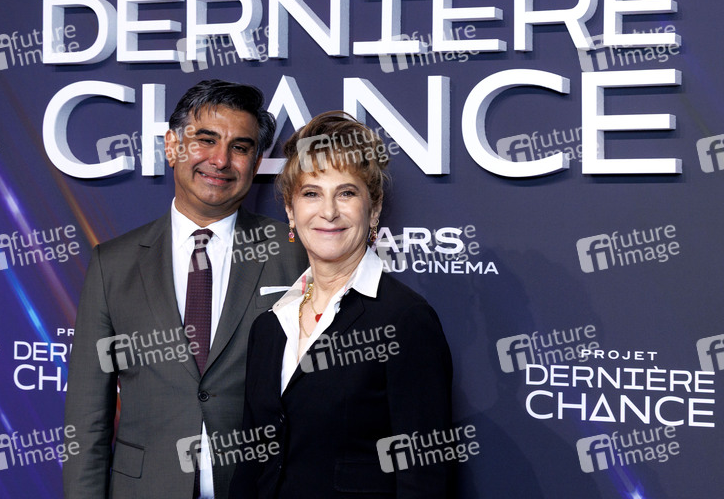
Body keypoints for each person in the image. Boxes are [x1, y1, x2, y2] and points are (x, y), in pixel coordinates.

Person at [63, 80, 307, 499]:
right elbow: (87, 417)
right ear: (172, 146)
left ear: (255, 163)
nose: (220, 160)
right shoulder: (112, 264)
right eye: (206, 140)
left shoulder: (296, 252)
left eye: (240, 147)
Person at [230, 112, 454, 498]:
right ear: (290, 210)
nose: (329, 211)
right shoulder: (269, 326)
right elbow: (251, 467)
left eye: (346, 193)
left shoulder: (405, 320)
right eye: (311, 193)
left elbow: (424, 479)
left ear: (374, 208)